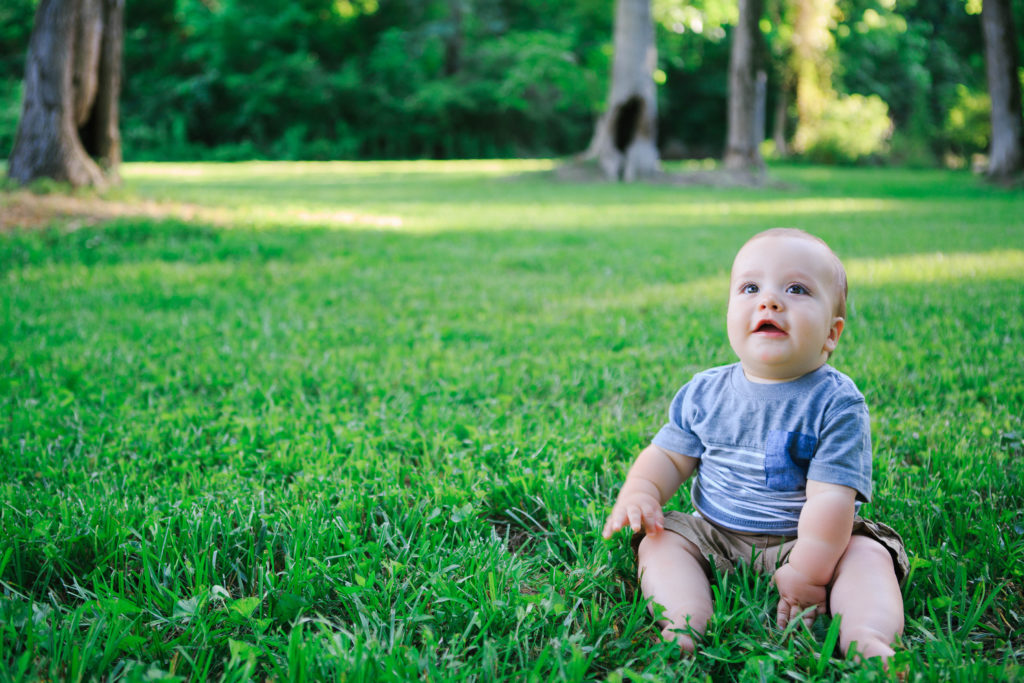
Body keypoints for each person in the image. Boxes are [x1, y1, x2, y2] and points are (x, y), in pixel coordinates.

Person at [602, 228, 907, 663]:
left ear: (831, 334)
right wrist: (642, 492)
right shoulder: (704, 392)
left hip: (803, 540)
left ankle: (868, 636)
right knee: (661, 541)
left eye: (796, 289)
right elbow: (669, 457)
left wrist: (807, 570)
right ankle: (684, 622)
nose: (770, 301)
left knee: (867, 553)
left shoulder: (837, 403)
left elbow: (831, 500)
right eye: (750, 288)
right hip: (715, 534)